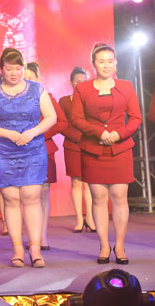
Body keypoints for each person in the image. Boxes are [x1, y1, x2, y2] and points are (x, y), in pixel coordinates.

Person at [0, 48, 57, 268]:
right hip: (3, 151)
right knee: (10, 198)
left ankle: (35, 248)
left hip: (32, 148)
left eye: (18, 69)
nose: (14, 73)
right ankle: (17, 249)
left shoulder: (37, 89)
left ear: (24, 68)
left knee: (32, 196)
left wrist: (33, 132)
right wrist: (7, 133)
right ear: (1, 69)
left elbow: (51, 117)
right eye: (9, 69)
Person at [71, 43, 142, 265]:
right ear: (93, 64)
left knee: (120, 196)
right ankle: (103, 245)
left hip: (120, 149)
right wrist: (99, 133)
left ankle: (119, 245)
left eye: (110, 61)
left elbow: (136, 118)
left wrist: (118, 134)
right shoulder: (82, 89)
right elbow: (76, 119)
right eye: (101, 61)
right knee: (98, 198)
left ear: (116, 63)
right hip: (93, 149)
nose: (106, 65)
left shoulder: (126, 87)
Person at [25, 62, 67, 250]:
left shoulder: (47, 97)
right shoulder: (13, 101)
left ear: (38, 79)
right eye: (24, 78)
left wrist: (39, 133)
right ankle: (31, 236)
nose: (28, 81)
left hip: (44, 149)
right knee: (27, 195)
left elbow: (61, 122)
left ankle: (42, 237)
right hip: (23, 151)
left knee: (43, 193)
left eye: (31, 78)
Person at [58, 67, 96, 233]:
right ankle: (79, 219)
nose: (81, 84)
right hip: (72, 146)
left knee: (89, 183)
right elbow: (61, 124)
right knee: (76, 182)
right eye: (78, 81)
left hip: (90, 145)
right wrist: (77, 138)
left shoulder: (92, 101)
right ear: (72, 82)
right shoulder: (64, 101)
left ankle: (90, 218)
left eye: (84, 81)